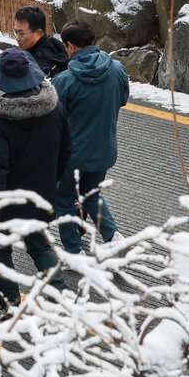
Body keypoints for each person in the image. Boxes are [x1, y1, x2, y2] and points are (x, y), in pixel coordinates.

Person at [0, 48, 69, 316]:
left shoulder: (0, 120)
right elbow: (66, 150)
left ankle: (9, 305)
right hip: (42, 193)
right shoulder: (54, 109)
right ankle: (59, 298)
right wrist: (52, 181)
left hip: (8, 200)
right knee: (40, 244)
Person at [51, 20, 129, 255]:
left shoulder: (64, 80)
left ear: (70, 46)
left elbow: (52, 118)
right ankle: (113, 237)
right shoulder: (117, 69)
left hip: (71, 155)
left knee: (63, 199)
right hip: (104, 148)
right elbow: (122, 99)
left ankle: (75, 251)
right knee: (91, 193)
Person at [14, 6, 67, 76]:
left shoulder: (38, 65)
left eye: (21, 33)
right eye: (15, 32)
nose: (17, 38)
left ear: (38, 33)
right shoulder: (54, 43)